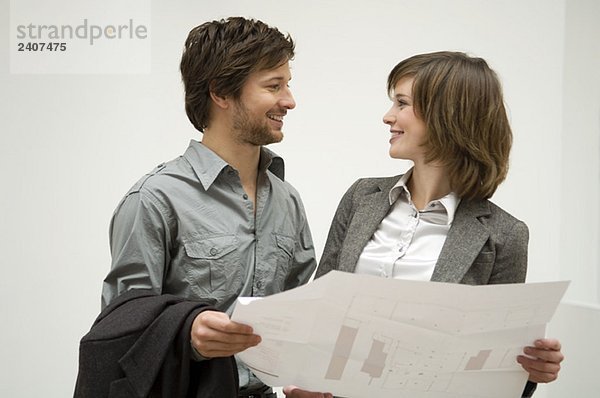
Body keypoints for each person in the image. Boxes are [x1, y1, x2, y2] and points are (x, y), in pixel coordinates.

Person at [283, 51, 563, 398]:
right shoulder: (361, 197)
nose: (388, 117)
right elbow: (321, 312)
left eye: (402, 103)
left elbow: (496, 372)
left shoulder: (504, 235)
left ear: (448, 116)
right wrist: (304, 380)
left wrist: (530, 371)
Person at [101, 17, 316, 398]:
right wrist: (190, 336)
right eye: (274, 86)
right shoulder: (154, 199)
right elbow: (120, 335)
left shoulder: (287, 200)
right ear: (220, 91)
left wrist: (306, 379)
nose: (290, 100)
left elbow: (299, 318)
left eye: (288, 84)